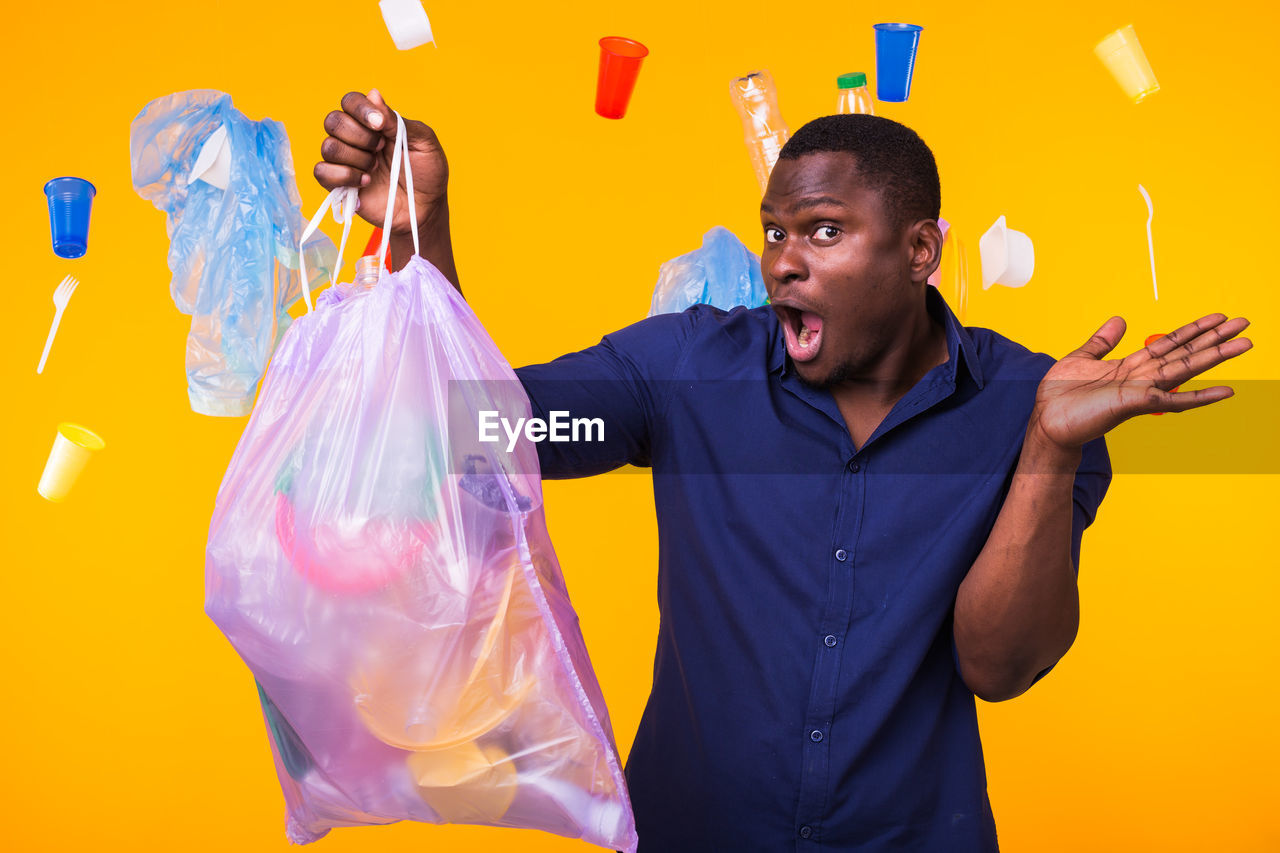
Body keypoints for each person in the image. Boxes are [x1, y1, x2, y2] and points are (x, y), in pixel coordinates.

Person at [313, 90, 1252, 851]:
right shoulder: (689, 371)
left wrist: (1050, 451)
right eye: (774, 233)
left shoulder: (1028, 405)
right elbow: (474, 427)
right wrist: (414, 233)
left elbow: (1000, 665)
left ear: (921, 252)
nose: (784, 263)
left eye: (825, 232)